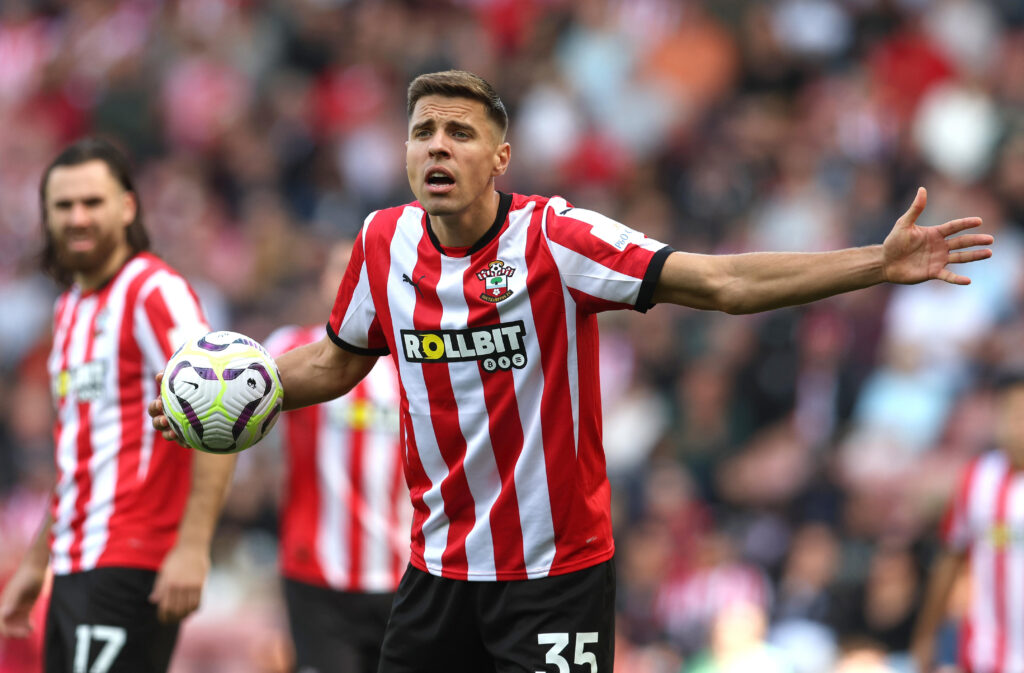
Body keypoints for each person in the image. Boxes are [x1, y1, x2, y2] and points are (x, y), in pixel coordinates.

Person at [149, 69, 993, 672]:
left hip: (554, 574)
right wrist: (236, 393)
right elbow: (337, 359)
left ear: (501, 157)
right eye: (422, 132)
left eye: (459, 132)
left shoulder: (558, 239)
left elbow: (723, 282)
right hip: (438, 570)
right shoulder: (382, 244)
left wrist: (872, 266)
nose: (436, 147)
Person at [0, 138, 236, 673]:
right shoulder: (68, 311)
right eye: (64, 206)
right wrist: (37, 565)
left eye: (93, 202)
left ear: (127, 207)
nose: (78, 218)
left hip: (133, 558)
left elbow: (222, 414)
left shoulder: (154, 291)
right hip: (73, 563)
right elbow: (75, 458)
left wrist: (194, 546)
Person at [264, 240, 408, 673]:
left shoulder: (417, 358)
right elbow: (234, 400)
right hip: (316, 575)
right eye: (340, 270)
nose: (355, 279)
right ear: (326, 282)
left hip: (404, 576)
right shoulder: (292, 346)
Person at [912, 372, 1024, 673]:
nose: (1018, 426)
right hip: (985, 651)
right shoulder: (977, 478)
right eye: (1012, 413)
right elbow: (950, 558)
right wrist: (925, 635)